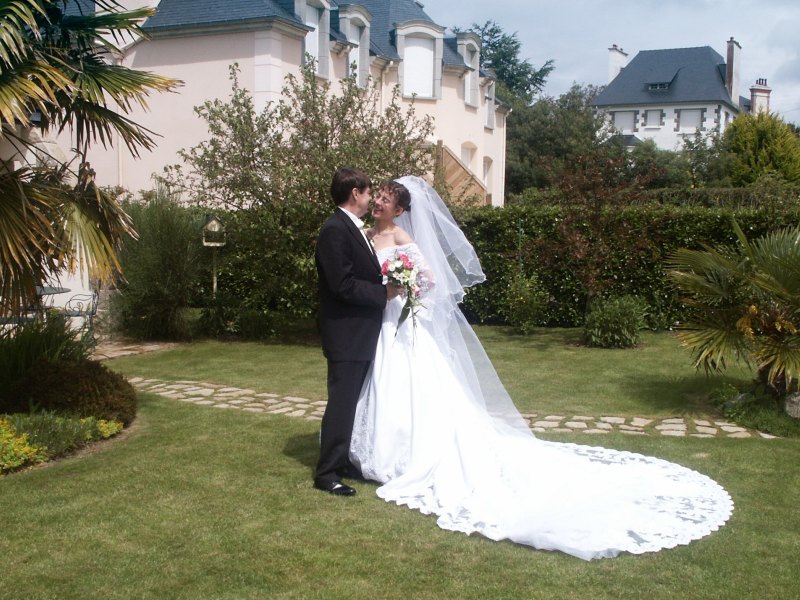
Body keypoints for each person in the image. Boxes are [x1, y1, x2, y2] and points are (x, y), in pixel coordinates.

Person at [349, 176, 733, 560]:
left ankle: (406, 457)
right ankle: (377, 451)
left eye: (387, 199)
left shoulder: (401, 238)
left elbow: (430, 279)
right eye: (378, 196)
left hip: (399, 318)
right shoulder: (365, 234)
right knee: (384, 383)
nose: (380, 202)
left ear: (400, 210)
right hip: (376, 322)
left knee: (411, 386)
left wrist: (403, 286)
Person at [314, 167, 398, 496]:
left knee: (353, 402)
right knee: (342, 402)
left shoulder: (353, 229)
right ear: (355, 194)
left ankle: (343, 459)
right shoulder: (335, 230)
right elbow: (341, 285)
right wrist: (383, 294)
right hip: (346, 334)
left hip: (360, 332)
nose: (370, 198)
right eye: (368, 193)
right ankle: (327, 473)